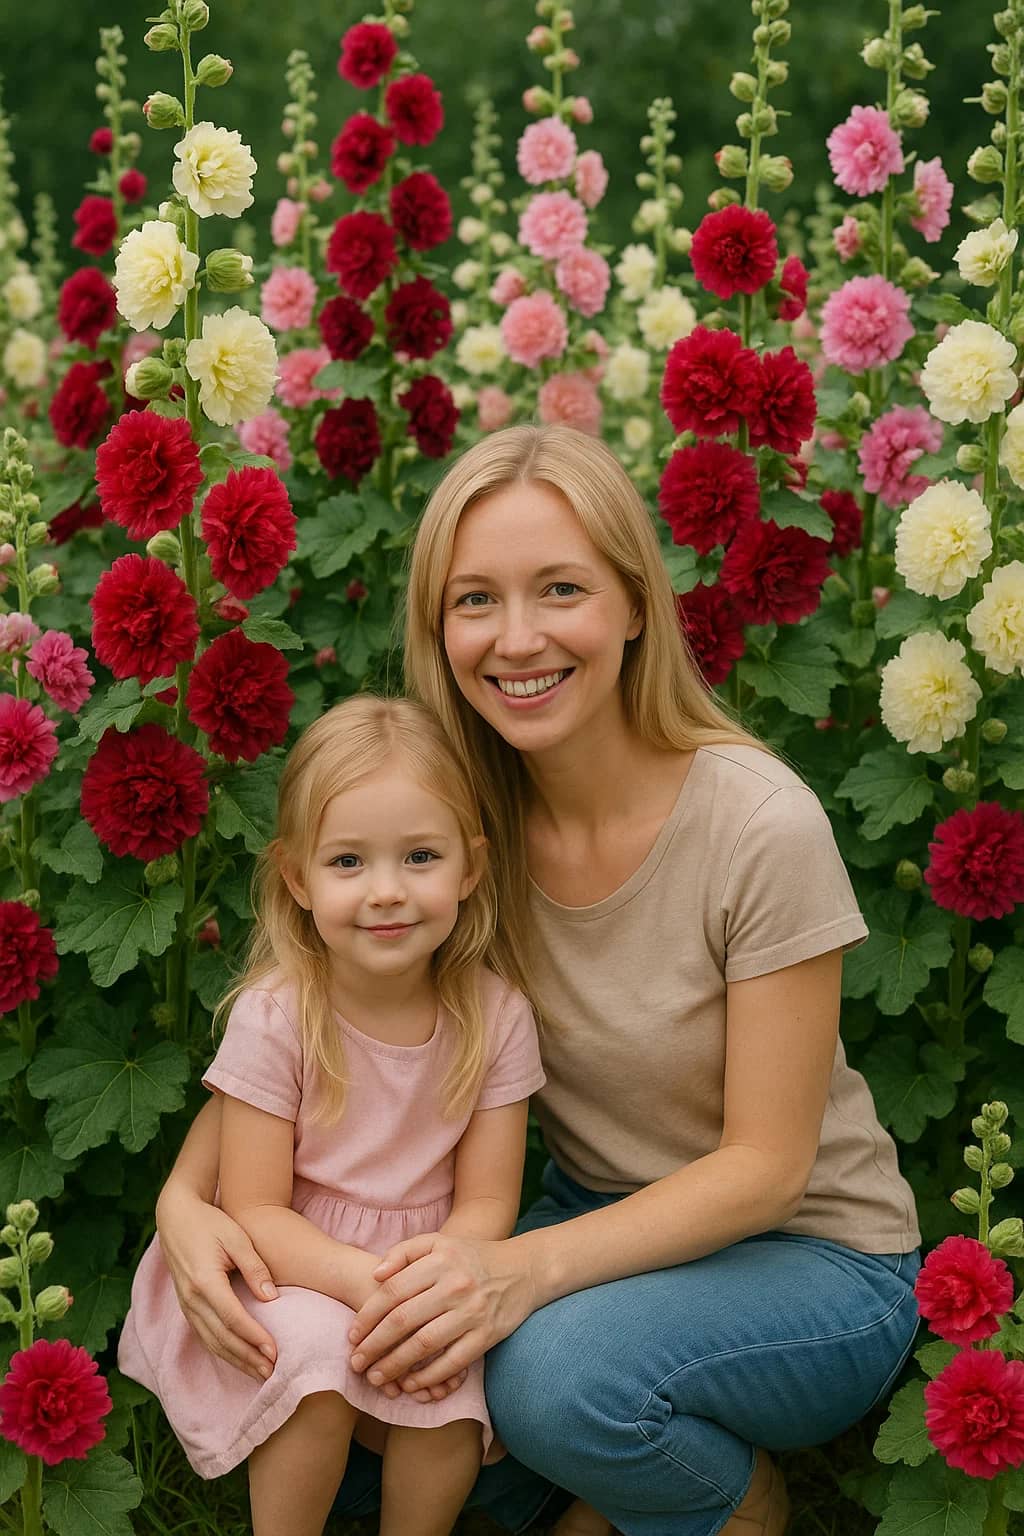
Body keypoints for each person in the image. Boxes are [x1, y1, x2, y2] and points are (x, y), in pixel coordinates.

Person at [150, 427, 922, 1536]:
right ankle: (604, 1469)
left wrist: (518, 1272)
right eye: (475, 600)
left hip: (806, 1258)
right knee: (369, 1408)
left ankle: (735, 1505)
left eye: (561, 589)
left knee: (544, 1383)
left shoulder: (759, 826)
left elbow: (766, 1169)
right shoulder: (462, 827)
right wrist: (186, 1203)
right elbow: (304, 1002)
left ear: (635, 604)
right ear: (439, 628)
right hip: (591, 1213)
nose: (517, 639)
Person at [118, 695, 545, 1536]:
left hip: (421, 1264)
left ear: (470, 869)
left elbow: (489, 1200)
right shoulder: (280, 1015)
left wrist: (430, 1290)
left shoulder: (496, 1017)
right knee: (315, 1364)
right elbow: (255, 1207)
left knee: (448, 1397)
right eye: (348, 861)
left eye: (420, 856)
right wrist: (361, 1285)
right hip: (287, 1265)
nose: (387, 891)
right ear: (297, 878)